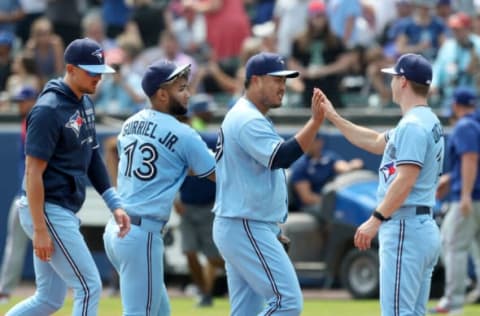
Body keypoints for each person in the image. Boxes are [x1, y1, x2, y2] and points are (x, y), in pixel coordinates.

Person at [5, 37, 131, 316]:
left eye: (100, 72)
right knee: (89, 286)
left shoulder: (83, 102)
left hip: (59, 207)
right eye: (91, 71)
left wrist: (114, 203)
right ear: (71, 69)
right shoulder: (48, 110)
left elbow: (93, 156)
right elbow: (32, 173)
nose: (98, 78)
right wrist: (39, 229)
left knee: (48, 299)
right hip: (48, 208)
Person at [317, 53, 445, 315]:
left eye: (394, 77)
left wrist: (376, 219)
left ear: (404, 82)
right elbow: (375, 142)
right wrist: (334, 117)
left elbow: (405, 179)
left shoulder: (412, 125)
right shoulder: (427, 120)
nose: (391, 83)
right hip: (420, 225)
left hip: (404, 227)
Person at [212, 52, 325, 315]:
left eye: (284, 80)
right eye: (275, 79)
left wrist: (270, 229)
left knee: (246, 311)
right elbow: (281, 157)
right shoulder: (247, 118)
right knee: (287, 302)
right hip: (245, 223)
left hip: (242, 223)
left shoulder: (249, 116)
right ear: (255, 80)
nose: (282, 86)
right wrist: (315, 122)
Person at [103, 59, 216, 316]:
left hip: (118, 228)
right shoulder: (184, 133)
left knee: (161, 311)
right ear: (162, 94)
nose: (188, 93)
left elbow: (121, 151)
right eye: (181, 88)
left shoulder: (130, 123)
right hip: (141, 233)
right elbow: (221, 176)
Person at [430, 86, 480, 314]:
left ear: (455, 105)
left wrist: (466, 194)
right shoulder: (476, 124)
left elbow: (470, 158)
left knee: (452, 244)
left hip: (471, 198)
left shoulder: (465, 125)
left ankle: (454, 302)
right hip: (474, 195)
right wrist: (451, 179)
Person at [0, 86, 37, 304]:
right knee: (16, 243)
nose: (20, 105)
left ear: (33, 99)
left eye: (24, 100)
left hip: (34, 195)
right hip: (25, 194)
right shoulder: (29, 121)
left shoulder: (35, 120)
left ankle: (5, 290)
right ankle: (4, 290)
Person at [289, 134, 363, 214]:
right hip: (312, 206)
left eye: (312, 141)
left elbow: (342, 167)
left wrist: (352, 166)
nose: (308, 144)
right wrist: (330, 201)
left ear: (320, 142)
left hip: (331, 199)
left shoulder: (329, 157)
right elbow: (307, 198)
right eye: (305, 142)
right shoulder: (300, 166)